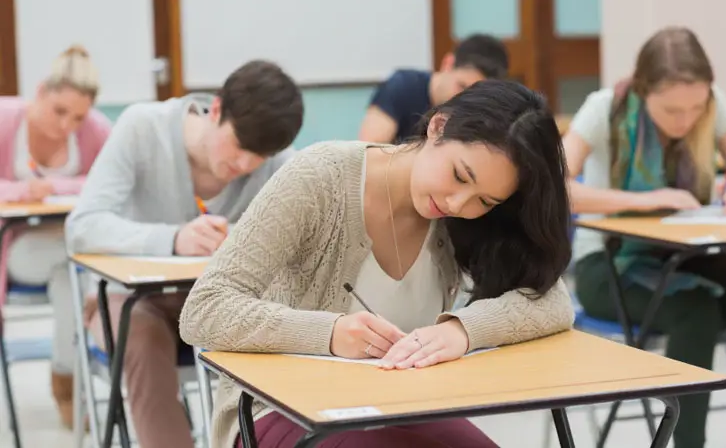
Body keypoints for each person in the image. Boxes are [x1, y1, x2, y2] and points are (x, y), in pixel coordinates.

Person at [180, 79, 576, 448]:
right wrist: (331, 333)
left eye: (485, 201)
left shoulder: (465, 220)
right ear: (438, 126)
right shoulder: (321, 177)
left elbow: (552, 301)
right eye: (459, 175)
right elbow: (205, 308)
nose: (459, 204)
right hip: (285, 409)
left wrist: (464, 330)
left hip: (402, 406)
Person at [65, 60, 303, 448]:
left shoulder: (278, 158)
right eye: (240, 147)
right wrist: (173, 239)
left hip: (220, 303)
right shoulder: (144, 127)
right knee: (139, 330)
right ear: (216, 109)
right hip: (131, 302)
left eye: (257, 157)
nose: (244, 165)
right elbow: (82, 227)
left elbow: (302, 232)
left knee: (289, 322)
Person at [563, 27, 726, 448]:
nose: (686, 121)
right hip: (608, 266)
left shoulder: (713, 106)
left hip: (685, 255)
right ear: (644, 92)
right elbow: (554, 185)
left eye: (696, 108)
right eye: (671, 111)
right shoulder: (605, 109)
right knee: (695, 312)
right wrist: (646, 200)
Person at [0, 45, 111, 428]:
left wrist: (55, 184)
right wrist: (20, 191)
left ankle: (68, 380)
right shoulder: (5, 119)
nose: (67, 125)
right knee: (83, 264)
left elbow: (112, 181)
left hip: (70, 251)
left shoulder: (96, 129)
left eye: (78, 117)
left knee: (70, 280)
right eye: (59, 111)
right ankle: (80, 372)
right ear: (41, 91)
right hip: (15, 250)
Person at [359, 34, 509, 143]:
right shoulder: (403, 86)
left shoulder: (477, 111)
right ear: (448, 64)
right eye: (461, 86)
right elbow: (368, 149)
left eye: (474, 95)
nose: (465, 99)